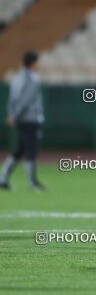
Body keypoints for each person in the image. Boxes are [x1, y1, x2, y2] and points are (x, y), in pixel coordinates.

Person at [0, 51, 45, 191]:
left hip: (21, 118)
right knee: (31, 149)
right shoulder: (31, 79)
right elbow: (25, 100)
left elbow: (12, 99)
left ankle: (2, 178)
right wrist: (15, 116)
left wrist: (12, 114)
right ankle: (32, 182)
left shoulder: (17, 78)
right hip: (29, 118)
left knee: (21, 149)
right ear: (33, 63)